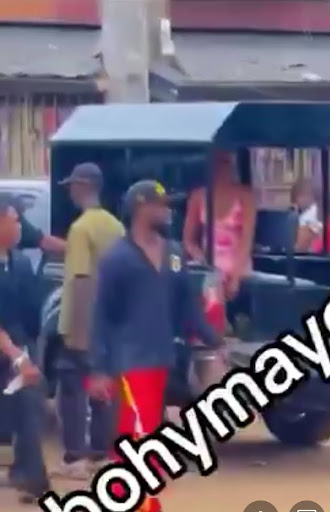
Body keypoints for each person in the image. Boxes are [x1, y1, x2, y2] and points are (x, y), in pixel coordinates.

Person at [89, 180, 224, 512]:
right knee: (137, 442)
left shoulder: (175, 254)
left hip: (162, 360)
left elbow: (187, 307)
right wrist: (98, 369)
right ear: (140, 207)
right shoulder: (116, 259)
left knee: (144, 437)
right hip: (129, 362)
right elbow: (101, 317)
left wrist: (214, 340)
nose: (167, 210)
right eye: (161, 204)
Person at [54, 162, 125, 479]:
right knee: (103, 392)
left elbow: (80, 282)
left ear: (82, 187)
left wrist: (77, 333)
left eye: (72, 186)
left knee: (71, 387)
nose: (69, 191)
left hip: (83, 324)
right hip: (112, 323)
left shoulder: (81, 229)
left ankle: (74, 459)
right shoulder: (116, 226)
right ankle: (101, 454)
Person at [0, 194, 50, 502]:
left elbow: (32, 313)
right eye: (16, 219)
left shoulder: (19, 262)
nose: (21, 226)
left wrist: (28, 354)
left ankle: (33, 478)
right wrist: (16, 355)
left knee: (30, 403)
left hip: (16, 348)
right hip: (9, 350)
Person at [183, 151, 256, 299]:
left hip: (237, 264)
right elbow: (188, 241)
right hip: (206, 263)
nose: (222, 168)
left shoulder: (246, 196)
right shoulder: (198, 196)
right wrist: (203, 262)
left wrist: (235, 277)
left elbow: (247, 239)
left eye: (226, 163)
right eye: (218, 163)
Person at [291, 179, 322, 252]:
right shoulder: (321, 211)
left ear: (307, 195)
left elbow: (301, 246)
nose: (296, 202)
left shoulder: (307, 217)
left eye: (297, 197)